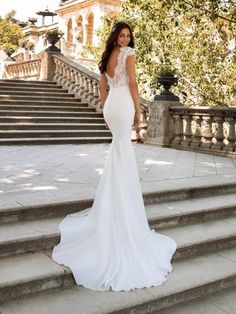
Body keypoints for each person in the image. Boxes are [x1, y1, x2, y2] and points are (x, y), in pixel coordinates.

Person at [52, 21, 177, 292]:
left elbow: (101, 90)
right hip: (122, 104)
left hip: (111, 106)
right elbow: (132, 82)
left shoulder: (106, 56)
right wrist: (138, 110)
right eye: (122, 35)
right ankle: (121, 204)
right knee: (123, 151)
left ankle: (115, 199)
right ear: (116, 37)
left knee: (118, 151)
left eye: (128, 36)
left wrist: (110, 104)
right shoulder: (129, 54)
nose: (125, 39)